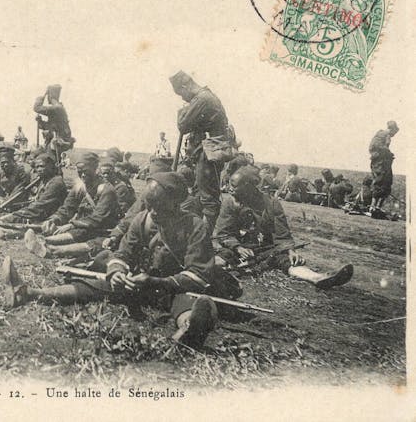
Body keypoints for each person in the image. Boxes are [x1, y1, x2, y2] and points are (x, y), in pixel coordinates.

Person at [1, 172, 241, 349]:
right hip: (136, 283)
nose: (153, 212)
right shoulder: (142, 219)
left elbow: (198, 275)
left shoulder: (194, 226)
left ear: (175, 203)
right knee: (96, 284)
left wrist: (158, 281)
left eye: (159, 206)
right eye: (150, 205)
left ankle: (190, 329)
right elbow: (123, 254)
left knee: (185, 301)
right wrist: (117, 273)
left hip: (171, 287)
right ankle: (29, 293)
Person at [214, 167, 353, 289]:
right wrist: (238, 247)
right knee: (222, 257)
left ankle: (317, 278)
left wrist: (290, 250)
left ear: (248, 186)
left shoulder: (272, 203)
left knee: (286, 259)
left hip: (265, 248)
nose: (229, 188)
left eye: (234, 185)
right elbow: (224, 233)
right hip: (237, 248)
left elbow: (281, 233)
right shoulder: (230, 203)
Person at [169, 71, 233, 230]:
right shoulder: (206, 97)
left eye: (181, 93)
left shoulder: (202, 99)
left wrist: (181, 111)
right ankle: (197, 231)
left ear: (185, 86)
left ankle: (206, 236)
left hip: (208, 153)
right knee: (201, 194)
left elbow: (183, 125)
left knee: (207, 198)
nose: (183, 98)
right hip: (207, 151)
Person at [24, 152, 119, 258]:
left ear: (95, 169)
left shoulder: (106, 190)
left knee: (82, 234)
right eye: (80, 172)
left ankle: (44, 242)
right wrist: (54, 219)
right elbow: (67, 208)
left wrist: (72, 224)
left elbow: (98, 218)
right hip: (82, 227)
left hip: (101, 230)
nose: (83, 175)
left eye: (86, 172)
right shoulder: (80, 187)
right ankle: (42, 241)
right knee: (74, 231)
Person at [0, 153, 68, 224]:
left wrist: (14, 215)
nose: (39, 170)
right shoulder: (43, 180)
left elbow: (40, 206)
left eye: (42, 166)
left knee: (6, 220)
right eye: (37, 167)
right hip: (40, 213)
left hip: (51, 218)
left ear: (51, 166)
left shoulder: (56, 182)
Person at [34, 84, 74, 159]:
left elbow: (36, 108)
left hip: (58, 141)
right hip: (54, 139)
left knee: (47, 160)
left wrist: (40, 99)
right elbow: (50, 126)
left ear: (50, 96)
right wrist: (40, 122)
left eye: (48, 96)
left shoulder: (57, 108)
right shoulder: (57, 108)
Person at [369, 121, 398, 216]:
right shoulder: (386, 135)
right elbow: (383, 149)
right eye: (395, 132)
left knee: (379, 182)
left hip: (377, 162)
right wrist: (389, 154)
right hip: (382, 163)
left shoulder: (379, 134)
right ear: (392, 129)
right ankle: (375, 207)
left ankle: (374, 207)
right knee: (383, 183)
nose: (394, 134)